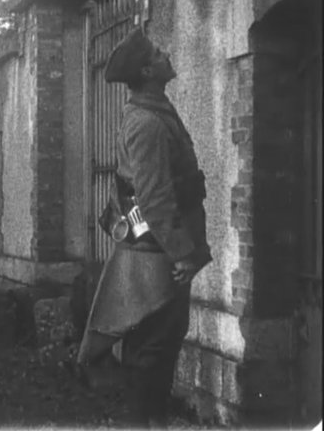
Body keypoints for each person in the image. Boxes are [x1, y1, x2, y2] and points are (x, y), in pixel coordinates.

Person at [73, 28, 213, 429]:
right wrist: (183, 253)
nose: (165, 53)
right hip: (156, 258)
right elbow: (154, 198)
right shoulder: (148, 122)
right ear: (149, 71)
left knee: (159, 349)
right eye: (157, 53)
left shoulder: (155, 110)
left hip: (157, 250)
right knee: (153, 349)